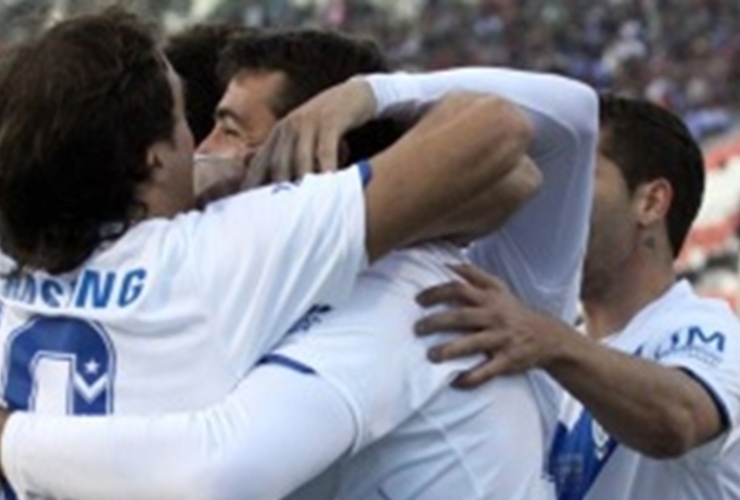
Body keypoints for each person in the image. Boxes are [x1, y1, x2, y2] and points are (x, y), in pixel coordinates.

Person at [0, 29, 597, 500]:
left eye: (228, 129)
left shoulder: (416, 299)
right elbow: (508, 155)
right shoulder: (227, 253)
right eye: (197, 125)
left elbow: (530, 142)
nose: (206, 151)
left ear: (316, 151)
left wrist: (371, 93)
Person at [414, 95, 740, 500]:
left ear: (650, 202)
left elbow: (679, 420)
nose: (552, 202)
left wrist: (548, 341)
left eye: (576, 177)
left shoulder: (708, 332)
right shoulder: (552, 355)